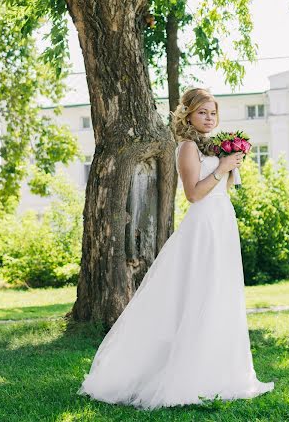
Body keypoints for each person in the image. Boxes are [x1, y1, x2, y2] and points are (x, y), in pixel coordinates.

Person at [78, 87, 275, 410]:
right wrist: (223, 167)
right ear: (188, 115)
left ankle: (222, 371)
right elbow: (194, 194)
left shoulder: (211, 145)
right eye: (202, 112)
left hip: (223, 221)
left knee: (222, 294)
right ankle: (189, 375)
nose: (209, 118)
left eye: (213, 113)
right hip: (203, 226)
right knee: (200, 295)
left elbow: (224, 188)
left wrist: (229, 164)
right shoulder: (185, 147)